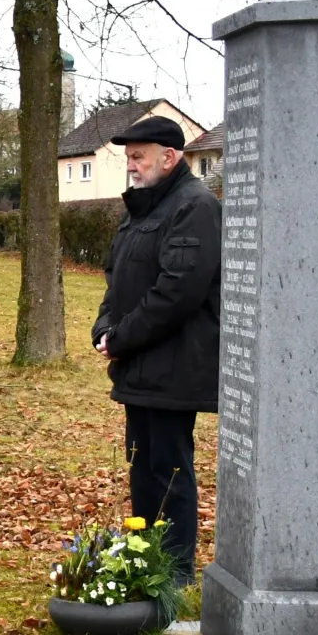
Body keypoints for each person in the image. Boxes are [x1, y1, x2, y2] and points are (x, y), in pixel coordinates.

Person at [90, 115, 221, 581]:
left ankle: (174, 570)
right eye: (128, 157)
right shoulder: (142, 209)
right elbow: (116, 277)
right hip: (141, 367)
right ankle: (144, 558)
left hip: (176, 367)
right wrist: (105, 326)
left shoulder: (195, 207)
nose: (131, 165)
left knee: (169, 471)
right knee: (144, 469)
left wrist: (121, 337)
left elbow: (176, 293)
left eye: (138, 156)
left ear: (170, 158)